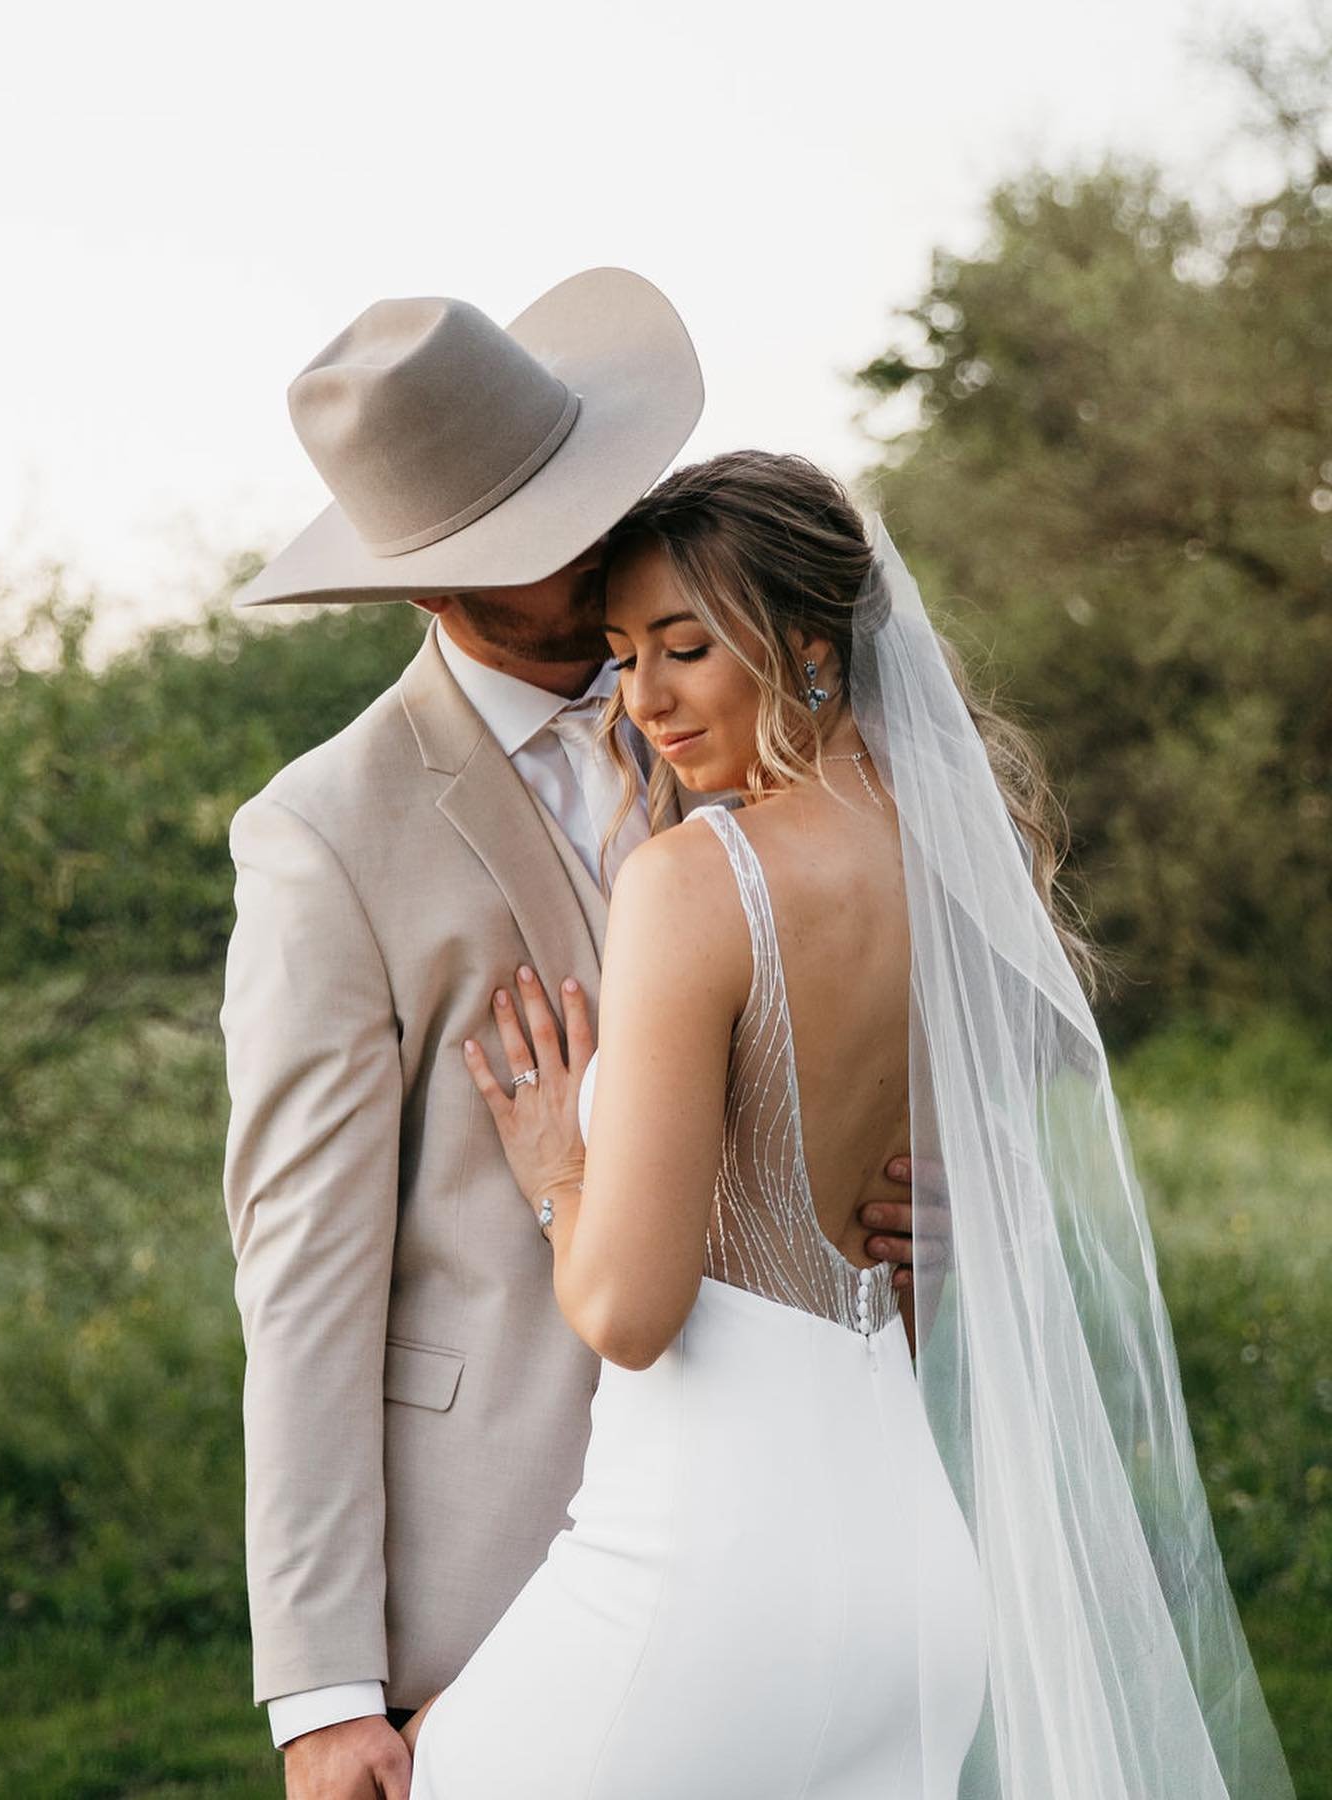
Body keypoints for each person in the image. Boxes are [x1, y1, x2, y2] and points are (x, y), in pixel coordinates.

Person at [400, 450, 1294, 1799]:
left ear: (810, 645)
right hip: (914, 1587)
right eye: (624, 654)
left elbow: (631, 1312)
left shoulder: (694, 884)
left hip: (703, 1576)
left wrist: (554, 1170)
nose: (643, 701)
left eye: (686, 649)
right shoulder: (952, 862)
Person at [219, 272, 921, 1800]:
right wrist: (324, 1690)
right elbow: (304, 1278)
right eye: (541, 539)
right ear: (430, 580)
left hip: (779, 1534)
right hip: (496, 1565)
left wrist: (926, 1212)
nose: (599, 546)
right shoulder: (324, 836)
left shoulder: (737, 721)